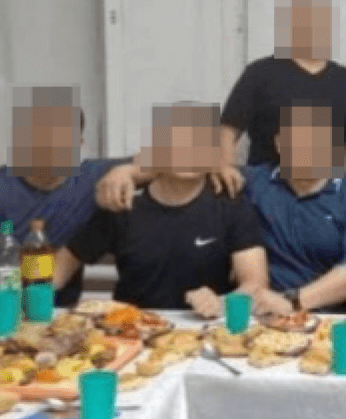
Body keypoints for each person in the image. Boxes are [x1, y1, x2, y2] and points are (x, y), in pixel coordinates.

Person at [0, 87, 128, 322]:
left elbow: (156, 161)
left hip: (59, 319)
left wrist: (126, 171)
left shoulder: (92, 176)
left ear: (78, 142)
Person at [53, 104, 269, 316]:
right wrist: (32, 279)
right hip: (132, 329)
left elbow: (256, 284)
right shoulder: (124, 203)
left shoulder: (231, 204)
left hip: (206, 329)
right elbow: (58, 269)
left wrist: (221, 303)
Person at [218, 0, 346, 197]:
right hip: (264, 193)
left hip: (324, 197)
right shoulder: (260, 73)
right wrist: (226, 169)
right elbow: (227, 131)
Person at [244, 103, 346, 315]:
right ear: (279, 143)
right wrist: (219, 166)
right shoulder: (253, 182)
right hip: (262, 316)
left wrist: (293, 302)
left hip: (332, 319)